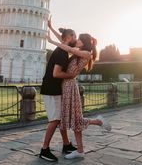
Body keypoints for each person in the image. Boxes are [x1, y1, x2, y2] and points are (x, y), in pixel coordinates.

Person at [47, 28, 112, 160]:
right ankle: (80, 149)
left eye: (80, 40)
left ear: (84, 43)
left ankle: (98, 123)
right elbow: (64, 42)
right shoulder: (80, 52)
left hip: (70, 87)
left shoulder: (86, 53)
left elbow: (68, 48)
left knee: (76, 119)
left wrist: (50, 41)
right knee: (72, 119)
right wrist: (51, 28)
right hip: (66, 86)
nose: (76, 41)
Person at [39, 25, 78, 162]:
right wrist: (70, 75)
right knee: (55, 120)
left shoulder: (62, 48)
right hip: (52, 89)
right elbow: (56, 73)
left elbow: (59, 38)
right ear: (68, 38)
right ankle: (44, 149)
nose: (76, 38)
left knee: (59, 118)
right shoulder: (62, 53)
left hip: (53, 88)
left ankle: (66, 145)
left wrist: (51, 27)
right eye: (74, 36)